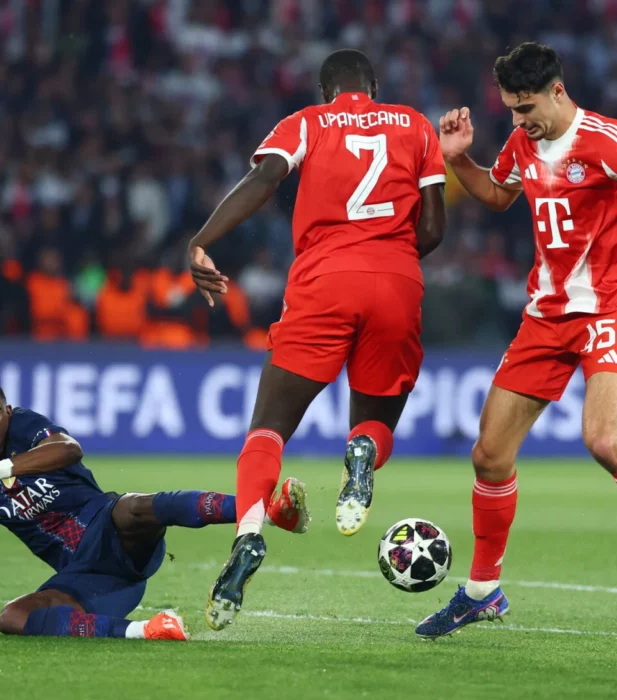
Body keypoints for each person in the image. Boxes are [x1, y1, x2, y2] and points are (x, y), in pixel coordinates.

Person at [416, 43, 617, 639]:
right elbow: (498, 194)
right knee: (489, 455)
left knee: (604, 440)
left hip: (610, 308)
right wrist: (458, 160)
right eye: (510, 108)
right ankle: (482, 591)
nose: (519, 120)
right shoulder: (522, 141)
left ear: (558, 91)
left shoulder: (608, 140)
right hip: (546, 317)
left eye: (526, 107)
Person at [188, 48, 446, 630]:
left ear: (325, 89)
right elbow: (433, 227)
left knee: (267, 428)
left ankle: (249, 534)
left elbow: (264, 178)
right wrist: (389, 259)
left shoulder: (308, 121)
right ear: (373, 85)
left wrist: (202, 240)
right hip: (397, 280)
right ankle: (361, 453)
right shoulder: (415, 124)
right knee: (374, 421)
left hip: (323, 280)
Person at [0, 377, 308, 640]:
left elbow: (70, 449)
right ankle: (148, 630)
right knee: (12, 618)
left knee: (135, 507)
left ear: (7, 412)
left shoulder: (23, 431)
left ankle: (265, 510)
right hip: (87, 577)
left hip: (112, 529)